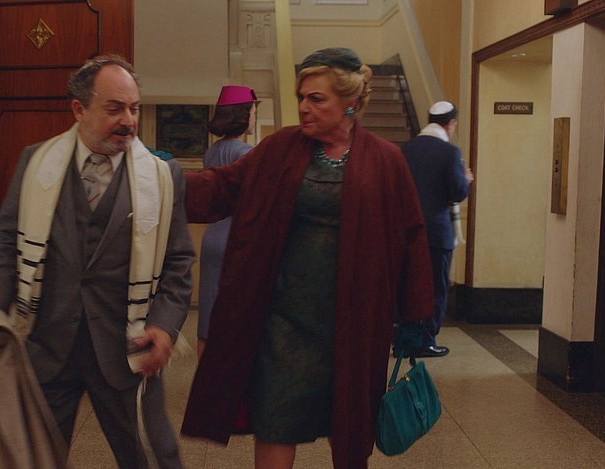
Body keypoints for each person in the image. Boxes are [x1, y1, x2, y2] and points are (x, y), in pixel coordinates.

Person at [180, 47, 434, 469]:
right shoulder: (281, 148)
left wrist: (414, 316)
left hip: (349, 322)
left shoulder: (385, 160)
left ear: (349, 102)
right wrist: (159, 180)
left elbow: (411, 236)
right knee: (275, 419)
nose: (303, 107)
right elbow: (223, 186)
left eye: (316, 98)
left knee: (348, 424)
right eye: (301, 97)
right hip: (283, 321)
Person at [0, 54, 195, 469]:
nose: (128, 121)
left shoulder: (163, 177)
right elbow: (5, 241)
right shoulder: (36, 163)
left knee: (153, 457)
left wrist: (164, 325)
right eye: (115, 109)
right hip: (48, 344)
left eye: (134, 108)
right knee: (36, 459)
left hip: (128, 348)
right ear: (79, 109)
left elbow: (178, 261)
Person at [401, 101, 474, 358]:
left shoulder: (406, 149)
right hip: (437, 232)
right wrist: (466, 180)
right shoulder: (449, 152)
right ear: (451, 124)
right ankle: (426, 340)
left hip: (407, 230)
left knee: (408, 285)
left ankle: (405, 338)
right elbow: (457, 191)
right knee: (436, 287)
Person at [197, 85, 258, 358]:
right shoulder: (247, 154)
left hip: (211, 237)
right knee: (236, 313)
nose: (254, 117)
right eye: (253, 111)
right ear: (243, 115)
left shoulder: (211, 152)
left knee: (208, 310)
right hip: (236, 238)